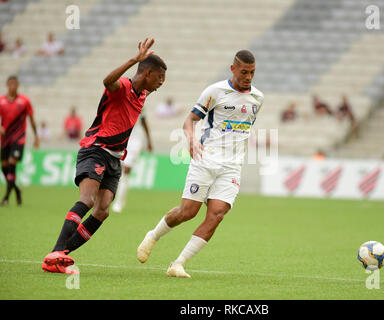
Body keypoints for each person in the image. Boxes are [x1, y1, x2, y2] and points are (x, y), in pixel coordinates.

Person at [41, 37, 166, 274]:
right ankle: (57, 252)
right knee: (87, 200)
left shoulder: (142, 96)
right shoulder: (122, 88)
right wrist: (133, 60)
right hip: (96, 150)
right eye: (159, 77)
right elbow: (107, 81)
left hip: (115, 158)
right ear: (147, 73)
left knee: (103, 210)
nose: (161, 83)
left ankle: (60, 255)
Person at [136, 49, 264, 278]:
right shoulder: (215, 91)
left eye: (252, 72)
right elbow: (190, 120)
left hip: (232, 167)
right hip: (206, 160)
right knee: (187, 212)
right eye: (244, 72)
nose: (248, 77)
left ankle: (178, 263)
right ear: (233, 69)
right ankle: (153, 235)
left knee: (216, 215)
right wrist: (192, 139)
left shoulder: (258, 98)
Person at [0, 75, 39, 206]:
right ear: (7, 84)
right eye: (10, 83)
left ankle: (5, 198)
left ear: (18, 85)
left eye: (15, 84)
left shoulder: (24, 101)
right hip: (5, 139)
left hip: (19, 138)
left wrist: (36, 136)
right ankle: (17, 190)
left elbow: (32, 120)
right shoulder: (1, 101)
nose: (13, 86)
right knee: (4, 168)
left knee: (11, 164)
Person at [111, 113, 153, 213]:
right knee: (116, 170)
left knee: (126, 170)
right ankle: (111, 198)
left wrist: (149, 141)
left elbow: (144, 122)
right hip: (123, 138)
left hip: (136, 140)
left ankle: (119, 202)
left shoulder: (140, 102)